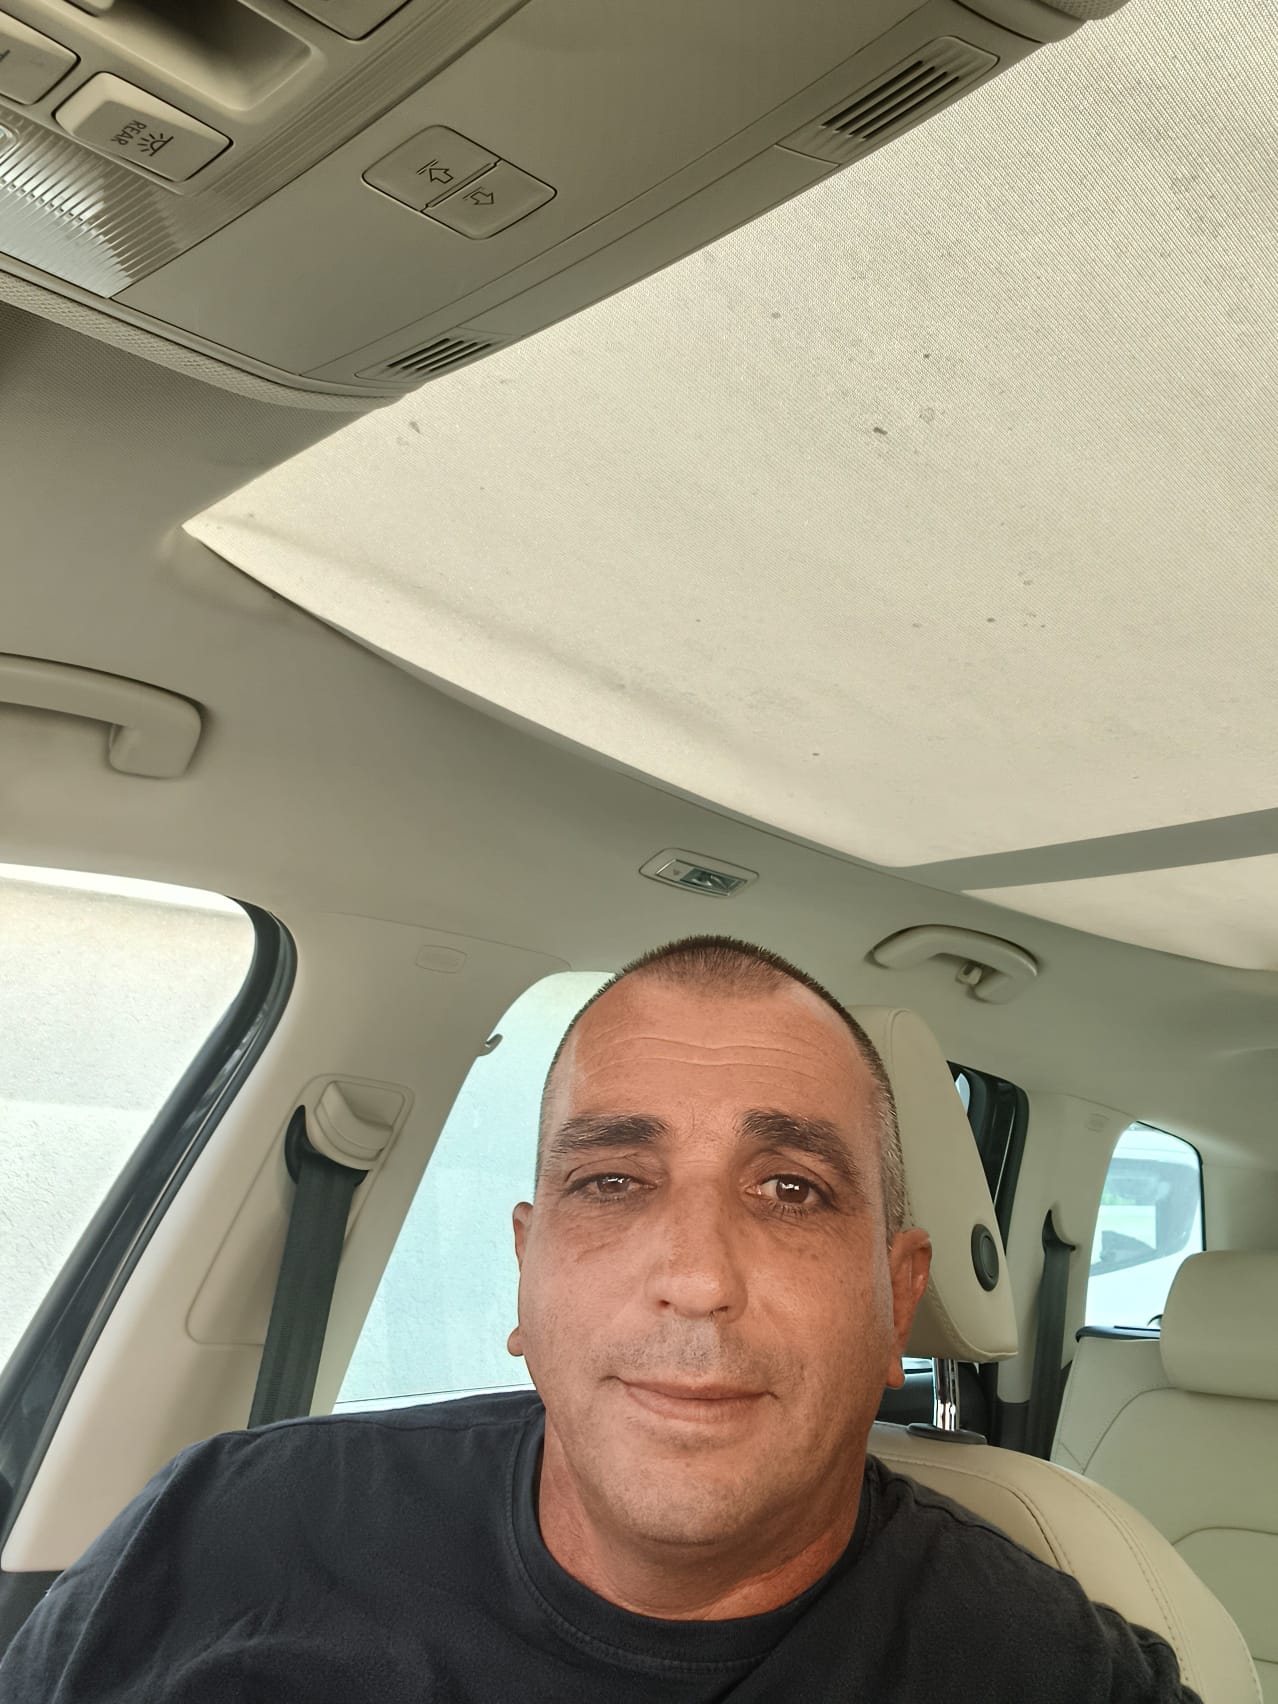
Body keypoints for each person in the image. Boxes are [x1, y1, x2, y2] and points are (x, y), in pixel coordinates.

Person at [0, 935, 1199, 1702]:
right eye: (614, 1182)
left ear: (897, 1301)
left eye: (791, 1190)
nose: (697, 1279)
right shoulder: (217, 1529)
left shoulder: (1047, 1670)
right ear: (526, 1272)